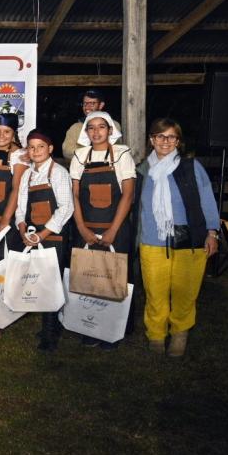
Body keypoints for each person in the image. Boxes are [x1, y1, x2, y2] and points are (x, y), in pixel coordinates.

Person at [137, 118, 219, 358]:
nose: (165, 141)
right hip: (152, 240)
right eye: (160, 136)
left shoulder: (192, 167)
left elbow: (207, 201)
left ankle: (180, 332)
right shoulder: (142, 170)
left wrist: (211, 232)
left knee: (186, 291)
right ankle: (156, 334)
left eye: (171, 137)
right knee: (155, 292)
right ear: (152, 140)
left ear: (178, 142)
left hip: (189, 239)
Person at [70, 111, 137, 349]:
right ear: (86, 132)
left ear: (110, 130)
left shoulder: (121, 154)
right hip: (86, 228)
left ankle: (113, 329)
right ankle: (89, 326)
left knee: (114, 279)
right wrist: (81, 228)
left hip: (116, 228)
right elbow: (75, 194)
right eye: (91, 127)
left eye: (102, 127)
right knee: (88, 278)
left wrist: (112, 231)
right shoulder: (79, 156)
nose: (97, 131)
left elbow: (127, 195)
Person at [15, 129, 74, 352]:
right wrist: (22, 231)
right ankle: (52, 324)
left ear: (50, 149)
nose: (36, 151)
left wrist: (43, 234)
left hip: (53, 236)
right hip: (31, 236)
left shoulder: (58, 173)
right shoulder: (27, 175)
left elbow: (66, 207)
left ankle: (50, 334)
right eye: (31, 147)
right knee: (40, 281)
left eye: (41, 146)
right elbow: (21, 208)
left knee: (51, 283)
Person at [0, 113, 29, 257]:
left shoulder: (19, 155)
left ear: (14, 133)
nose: (1, 135)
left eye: (7, 131)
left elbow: (17, 189)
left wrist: (5, 220)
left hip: (9, 216)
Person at [62, 89, 123, 161]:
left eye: (92, 103)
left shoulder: (113, 124)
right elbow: (66, 151)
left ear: (101, 105)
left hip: (108, 168)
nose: (87, 107)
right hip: (83, 169)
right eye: (85, 103)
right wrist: (91, 155)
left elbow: (117, 149)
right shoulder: (75, 127)